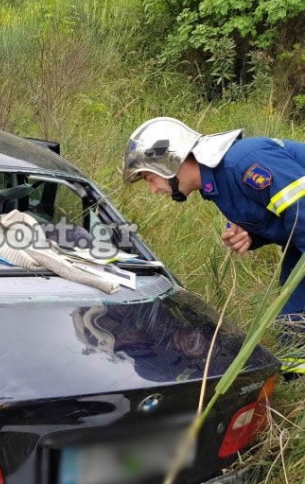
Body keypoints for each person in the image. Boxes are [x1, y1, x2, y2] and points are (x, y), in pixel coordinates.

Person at [122, 117, 305, 373]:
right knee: (294, 324)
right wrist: (252, 236)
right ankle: (296, 381)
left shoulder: (244, 162)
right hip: (299, 251)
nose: (152, 190)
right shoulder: (216, 185)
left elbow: (301, 207)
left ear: (169, 163)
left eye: (149, 178)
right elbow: (283, 218)